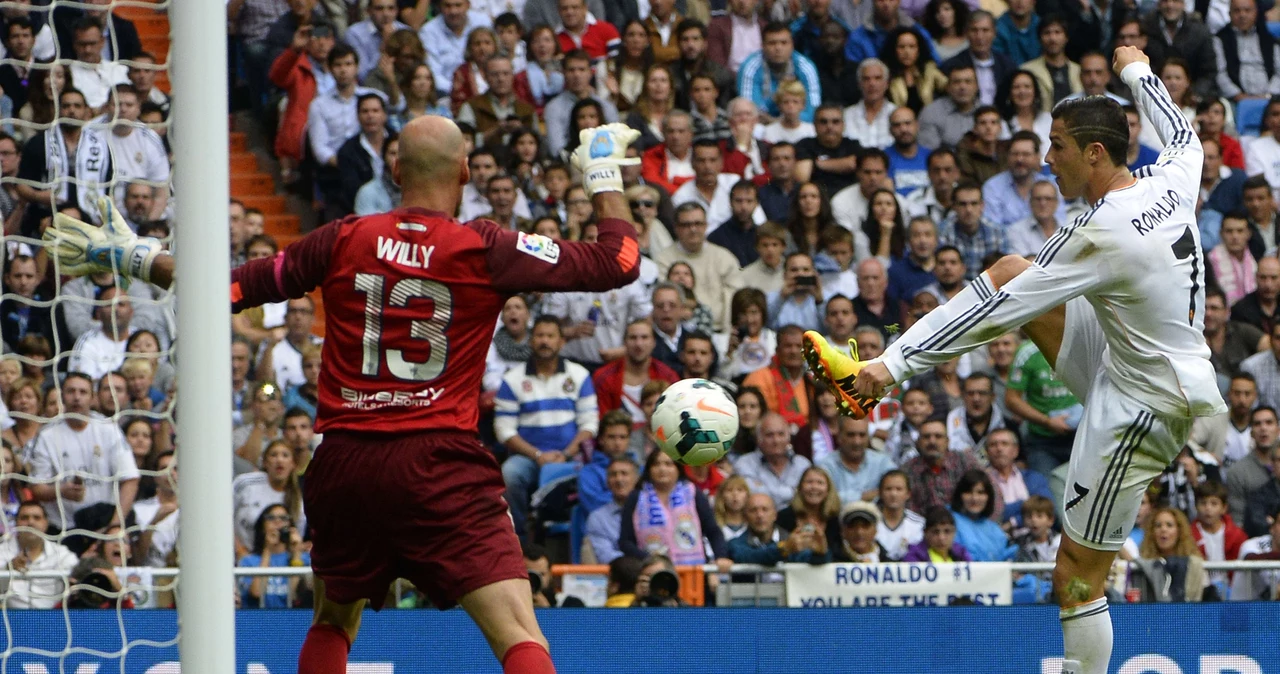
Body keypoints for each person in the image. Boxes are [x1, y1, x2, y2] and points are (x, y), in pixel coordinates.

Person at [45, 119, 647, 673]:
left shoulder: (342, 237)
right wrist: (600, 171)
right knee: (517, 628)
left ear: (393, 172)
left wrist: (136, 255)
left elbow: (226, 287)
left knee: (334, 619)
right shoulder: (484, 246)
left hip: (345, 462)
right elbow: (619, 260)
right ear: (466, 172)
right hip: (438, 461)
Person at [804, 47, 1225, 674]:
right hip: (1136, 363)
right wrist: (1136, 69)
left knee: (1076, 577)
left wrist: (886, 367)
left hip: (1143, 410)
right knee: (1009, 268)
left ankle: (871, 379)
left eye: (1057, 146)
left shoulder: (1098, 232)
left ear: (1094, 154)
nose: (1045, 159)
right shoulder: (1175, 174)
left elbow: (994, 313)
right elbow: (1181, 127)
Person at [495, 316, 598, 539]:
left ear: (561, 341)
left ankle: (579, 535)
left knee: (594, 474)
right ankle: (519, 537)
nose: (545, 341)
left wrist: (566, 453)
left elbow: (590, 424)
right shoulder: (512, 379)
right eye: (540, 336)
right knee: (509, 474)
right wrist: (538, 455)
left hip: (571, 455)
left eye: (550, 336)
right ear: (531, 341)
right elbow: (504, 430)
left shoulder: (579, 375)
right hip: (528, 457)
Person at [618, 450, 731, 570]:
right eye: (656, 464)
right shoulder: (636, 497)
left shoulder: (692, 492)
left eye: (668, 464)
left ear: (678, 468)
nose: (662, 469)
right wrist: (649, 559)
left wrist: (721, 556)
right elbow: (625, 541)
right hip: (652, 572)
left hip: (693, 571)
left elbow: (713, 531)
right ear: (649, 469)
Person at [0, 500, 78, 609]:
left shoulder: (61, 554)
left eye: (37, 518)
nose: (30, 522)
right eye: (24, 518)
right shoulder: (2, 551)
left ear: (46, 523)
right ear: (16, 523)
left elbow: (78, 575)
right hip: (10, 619)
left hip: (53, 619)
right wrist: (8, 568)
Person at [950, 469, 1016, 561]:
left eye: (980, 493)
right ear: (960, 495)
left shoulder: (995, 530)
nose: (974, 498)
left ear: (989, 497)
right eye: (968, 492)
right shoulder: (949, 520)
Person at [585, 456, 640, 563]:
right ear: (607, 482)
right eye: (613, 475)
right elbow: (605, 555)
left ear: (636, 479)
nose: (619, 479)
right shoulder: (598, 517)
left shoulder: (651, 510)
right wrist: (641, 563)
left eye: (624, 474)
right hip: (619, 573)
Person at [903, 505, 972, 561]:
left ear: (954, 532)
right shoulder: (914, 558)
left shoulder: (962, 556)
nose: (941, 538)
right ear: (925, 533)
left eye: (947, 531)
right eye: (935, 532)